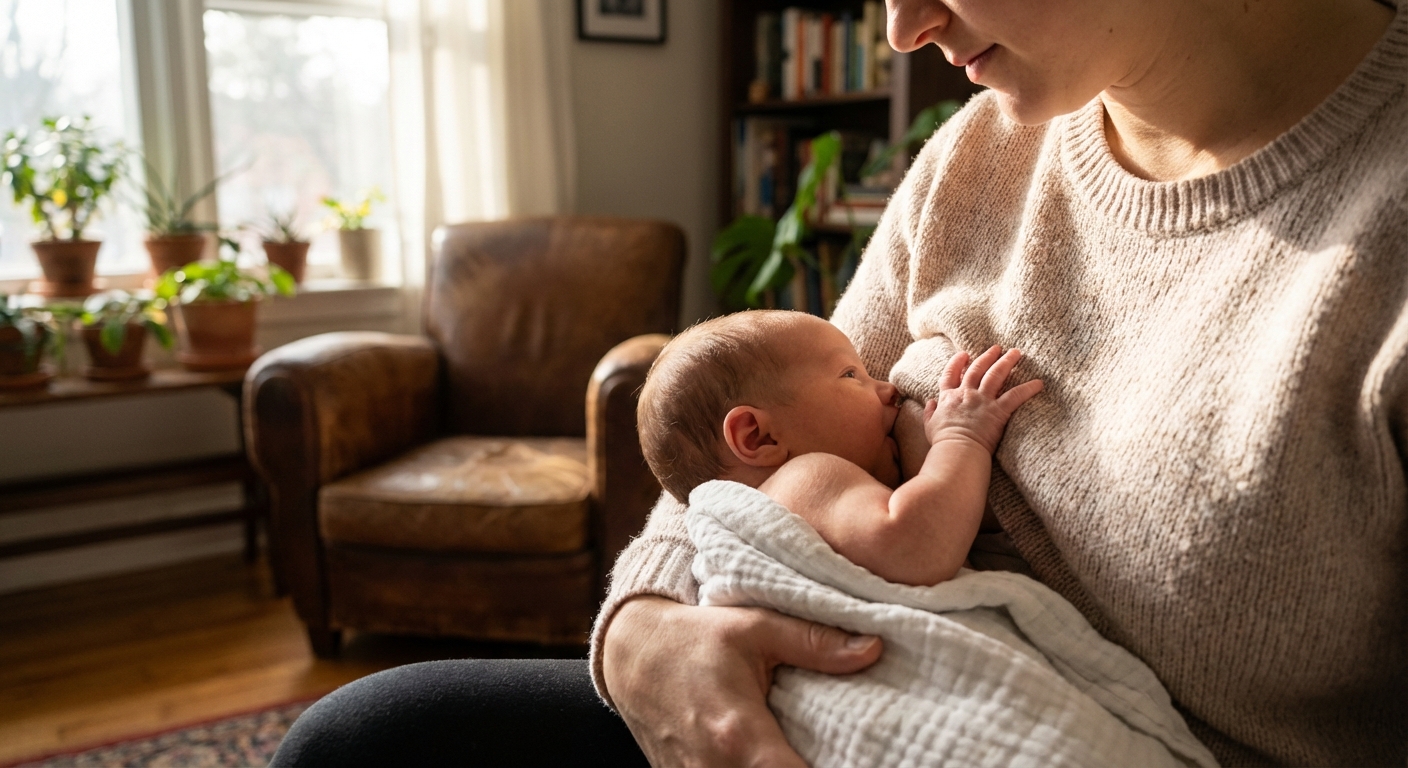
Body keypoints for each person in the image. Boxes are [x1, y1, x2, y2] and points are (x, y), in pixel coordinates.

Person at [274, 0, 1408, 765]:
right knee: (370, 741)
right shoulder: (975, 158)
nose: (901, 24)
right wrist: (648, 639)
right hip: (846, 708)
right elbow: (734, 467)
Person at [637, 309, 1042, 587]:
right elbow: (913, 544)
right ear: (758, 437)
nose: (889, 390)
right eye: (851, 375)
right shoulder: (802, 478)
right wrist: (961, 438)